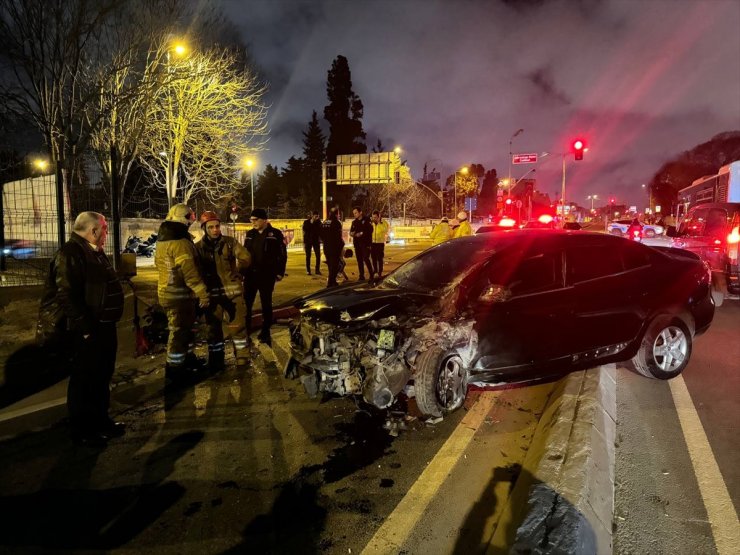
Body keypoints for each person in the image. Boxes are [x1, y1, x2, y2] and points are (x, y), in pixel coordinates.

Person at [39, 212, 124, 447]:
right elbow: (66, 295)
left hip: (103, 327)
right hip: (87, 330)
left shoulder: (91, 251)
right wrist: (87, 329)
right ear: (93, 230)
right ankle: (83, 429)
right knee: (84, 379)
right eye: (105, 229)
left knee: (101, 376)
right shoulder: (70, 254)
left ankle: (101, 421)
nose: (106, 233)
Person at [154, 203, 209, 381]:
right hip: (179, 296)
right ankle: (176, 370)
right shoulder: (180, 243)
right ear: (184, 219)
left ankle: (186, 360)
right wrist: (203, 294)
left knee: (185, 330)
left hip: (169, 293)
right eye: (190, 218)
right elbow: (190, 272)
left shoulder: (164, 239)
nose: (191, 222)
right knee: (179, 333)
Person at [195, 211, 252, 371]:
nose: (215, 230)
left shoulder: (229, 243)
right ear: (204, 228)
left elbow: (246, 258)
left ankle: (242, 358)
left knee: (238, 328)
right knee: (213, 330)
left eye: (217, 226)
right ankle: (216, 360)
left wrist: (237, 272)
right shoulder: (198, 248)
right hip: (212, 297)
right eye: (211, 227)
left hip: (232, 295)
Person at [243, 208, 287, 346]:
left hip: (266, 275)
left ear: (264, 220)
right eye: (251, 220)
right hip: (250, 275)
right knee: (247, 304)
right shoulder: (250, 234)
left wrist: (280, 272)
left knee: (266, 303)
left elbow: (282, 255)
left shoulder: (275, 234)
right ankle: (246, 332)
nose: (253, 223)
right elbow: (244, 254)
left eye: (256, 220)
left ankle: (265, 331)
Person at [321, 206, 344, 287]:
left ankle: (332, 282)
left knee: (330, 266)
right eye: (338, 214)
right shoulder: (337, 223)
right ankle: (331, 283)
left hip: (326, 248)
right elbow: (338, 237)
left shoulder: (324, 222)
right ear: (336, 214)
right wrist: (341, 246)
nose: (339, 216)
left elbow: (321, 236)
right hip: (334, 249)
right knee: (334, 267)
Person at [350, 206, 374, 280]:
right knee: (359, 260)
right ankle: (361, 276)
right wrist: (352, 234)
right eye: (354, 213)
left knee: (366, 258)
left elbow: (370, 230)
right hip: (357, 244)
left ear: (360, 212)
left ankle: (371, 274)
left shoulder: (367, 220)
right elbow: (351, 232)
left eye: (356, 213)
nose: (355, 215)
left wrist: (361, 233)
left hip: (365, 243)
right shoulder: (354, 222)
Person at [370, 210, 389, 280]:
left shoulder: (384, 223)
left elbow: (385, 230)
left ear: (379, 217)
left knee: (380, 259)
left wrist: (378, 224)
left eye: (375, 217)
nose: (374, 219)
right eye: (373, 217)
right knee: (373, 258)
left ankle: (380, 272)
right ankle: (375, 271)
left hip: (380, 243)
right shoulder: (371, 223)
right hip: (372, 243)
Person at [302, 211, 322, 275]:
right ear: (312, 216)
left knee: (318, 255)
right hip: (308, 241)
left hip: (316, 241)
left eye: (318, 216)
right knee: (308, 256)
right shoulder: (306, 222)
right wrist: (304, 243)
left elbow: (319, 230)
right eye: (316, 216)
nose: (317, 218)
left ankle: (317, 270)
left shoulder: (318, 222)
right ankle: (308, 270)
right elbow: (305, 230)